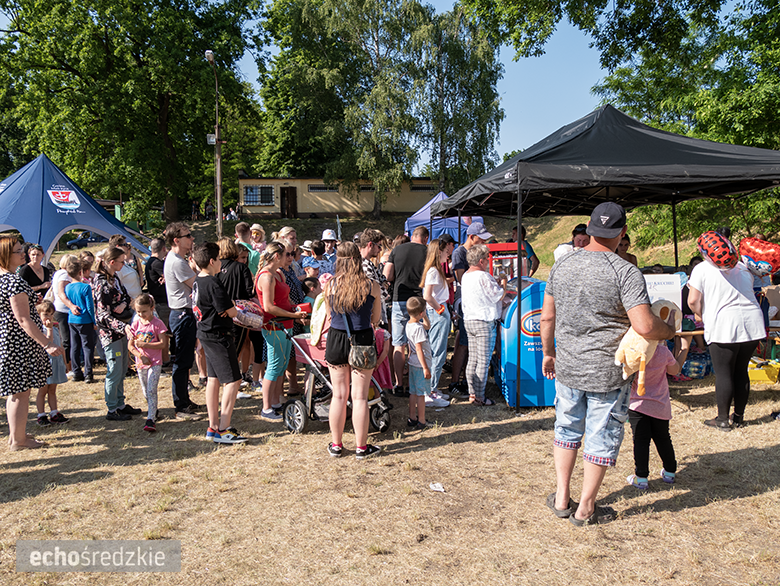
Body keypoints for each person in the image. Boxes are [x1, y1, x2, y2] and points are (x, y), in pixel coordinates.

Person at [540, 202, 675, 527]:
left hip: (569, 367)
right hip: (609, 372)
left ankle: (561, 498)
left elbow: (547, 317)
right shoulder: (626, 271)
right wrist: (668, 329)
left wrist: (548, 352)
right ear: (622, 233)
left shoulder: (563, 265)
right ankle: (585, 508)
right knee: (601, 435)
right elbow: (644, 325)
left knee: (567, 428)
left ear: (588, 227)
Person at [688, 236, 765, 430]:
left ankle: (722, 418)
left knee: (724, 373)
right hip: (752, 322)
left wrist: (699, 314)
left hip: (724, 324)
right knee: (741, 371)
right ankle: (738, 417)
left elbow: (692, 300)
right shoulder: (741, 266)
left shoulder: (702, 269)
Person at [0, 237, 64, 450]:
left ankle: (15, 435)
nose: (23, 254)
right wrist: (47, 343)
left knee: (16, 392)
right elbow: (23, 319)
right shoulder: (13, 281)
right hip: (18, 344)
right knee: (21, 393)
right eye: (18, 251)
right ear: (6, 255)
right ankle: (18, 440)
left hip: (9, 342)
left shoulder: (4, 279)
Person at [324, 242, 382, 459]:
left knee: (338, 395)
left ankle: (336, 444)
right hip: (363, 338)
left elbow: (330, 316)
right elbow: (375, 319)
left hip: (337, 338)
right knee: (359, 397)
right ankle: (361, 447)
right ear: (358, 259)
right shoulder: (371, 285)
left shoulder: (330, 285)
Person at [192, 242, 248, 444]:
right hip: (218, 334)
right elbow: (231, 311)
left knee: (213, 379)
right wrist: (232, 308)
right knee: (233, 380)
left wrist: (227, 307)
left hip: (206, 332)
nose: (221, 264)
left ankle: (213, 425)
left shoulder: (199, 280)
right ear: (211, 261)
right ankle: (224, 429)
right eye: (219, 260)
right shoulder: (213, 283)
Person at [626, 336, 690, 489]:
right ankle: (669, 472)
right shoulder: (662, 351)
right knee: (663, 438)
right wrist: (684, 348)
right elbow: (675, 370)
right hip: (660, 404)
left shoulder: (632, 350)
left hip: (637, 404)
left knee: (641, 440)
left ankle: (641, 477)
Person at [255, 241, 307, 420]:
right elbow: (268, 307)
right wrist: (293, 315)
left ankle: (276, 401)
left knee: (282, 364)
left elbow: (284, 300)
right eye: (286, 254)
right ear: (277, 256)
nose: (290, 258)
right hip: (274, 326)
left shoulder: (278, 274)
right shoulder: (267, 276)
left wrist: (295, 309)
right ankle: (266, 407)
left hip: (286, 325)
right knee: (274, 366)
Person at [93, 246, 143, 421]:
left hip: (122, 330)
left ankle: (120, 404)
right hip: (110, 333)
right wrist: (122, 325)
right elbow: (102, 314)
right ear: (111, 262)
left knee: (121, 369)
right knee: (114, 370)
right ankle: (112, 408)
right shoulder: (101, 282)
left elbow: (127, 297)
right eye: (122, 261)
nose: (125, 264)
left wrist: (122, 305)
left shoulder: (114, 279)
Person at [163, 222, 203, 421]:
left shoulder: (178, 259)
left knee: (185, 360)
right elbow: (197, 285)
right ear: (176, 240)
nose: (192, 238)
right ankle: (180, 406)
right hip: (182, 314)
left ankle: (184, 401)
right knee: (182, 361)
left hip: (183, 314)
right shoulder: (177, 262)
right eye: (188, 235)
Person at [383, 226, 429, 396]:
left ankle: (398, 384)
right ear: (425, 238)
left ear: (412, 236)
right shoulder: (427, 251)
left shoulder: (397, 249)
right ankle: (414, 382)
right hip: (418, 300)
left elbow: (387, 275)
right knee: (416, 343)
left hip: (398, 298)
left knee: (398, 344)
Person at [461, 244, 507, 406]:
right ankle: (480, 397)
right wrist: (503, 283)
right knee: (483, 360)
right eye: (487, 259)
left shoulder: (466, 275)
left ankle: (472, 393)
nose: (488, 262)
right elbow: (498, 296)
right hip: (484, 321)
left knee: (472, 359)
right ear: (481, 261)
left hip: (470, 320)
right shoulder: (483, 276)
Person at [216, 237, 255, 395]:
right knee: (236, 349)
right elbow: (248, 291)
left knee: (224, 349)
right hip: (238, 314)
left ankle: (227, 383)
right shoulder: (241, 268)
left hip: (219, 314)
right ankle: (233, 386)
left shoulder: (216, 267)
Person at [126, 294, 168, 433]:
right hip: (140, 363)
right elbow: (130, 346)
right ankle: (153, 410)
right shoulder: (136, 323)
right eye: (138, 312)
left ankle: (150, 419)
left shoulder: (158, 324)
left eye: (144, 311)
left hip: (155, 363)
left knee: (151, 389)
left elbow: (162, 344)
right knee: (145, 390)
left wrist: (145, 344)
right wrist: (140, 355)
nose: (141, 314)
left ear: (152, 308)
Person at [419, 239, 451, 406]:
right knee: (437, 352)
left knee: (436, 351)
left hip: (439, 310)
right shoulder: (433, 271)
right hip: (438, 311)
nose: (448, 253)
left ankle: (432, 388)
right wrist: (439, 309)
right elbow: (427, 295)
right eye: (446, 250)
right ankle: (430, 390)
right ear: (439, 252)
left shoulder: (434, 270)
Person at [35, 298, 69, 426]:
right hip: (44, 364)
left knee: (53, 389)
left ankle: (54, 412)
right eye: (45, 314)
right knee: (42, 390)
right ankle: (41, 414)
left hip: (56, 362)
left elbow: (60, 346)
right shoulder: (40, 330)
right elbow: (48, 342)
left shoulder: (55, 328)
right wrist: (48, 328)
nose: (48, 317)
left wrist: (65, 363)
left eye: (51, 314)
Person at [65, 258, 97, 384]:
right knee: (88, 346)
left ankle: (77, 372)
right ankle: (88, 373)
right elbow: (90, 306)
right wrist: (94, 321)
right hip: (85, 320)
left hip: (72, 319)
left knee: (75, 346)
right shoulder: (85, 287)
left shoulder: (67, 287)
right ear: (81, 273)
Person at [405, 296, 434, 430]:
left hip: (413, 362)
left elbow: (427, 325)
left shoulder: (410, 325)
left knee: (413, 392)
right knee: (421, 394)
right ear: (421, 312)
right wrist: (425, 368)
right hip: (420, 365)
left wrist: (425, 317)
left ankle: (412, 417)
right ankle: (421, 420)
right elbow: (419, 348)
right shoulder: (418, 329)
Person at [144, 238, 170, 327]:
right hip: (162, 303)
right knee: (164, 331)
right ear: (163, 249)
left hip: (159, 301)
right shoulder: (157, 263)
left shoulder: (151, 262)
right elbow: (170, 277)